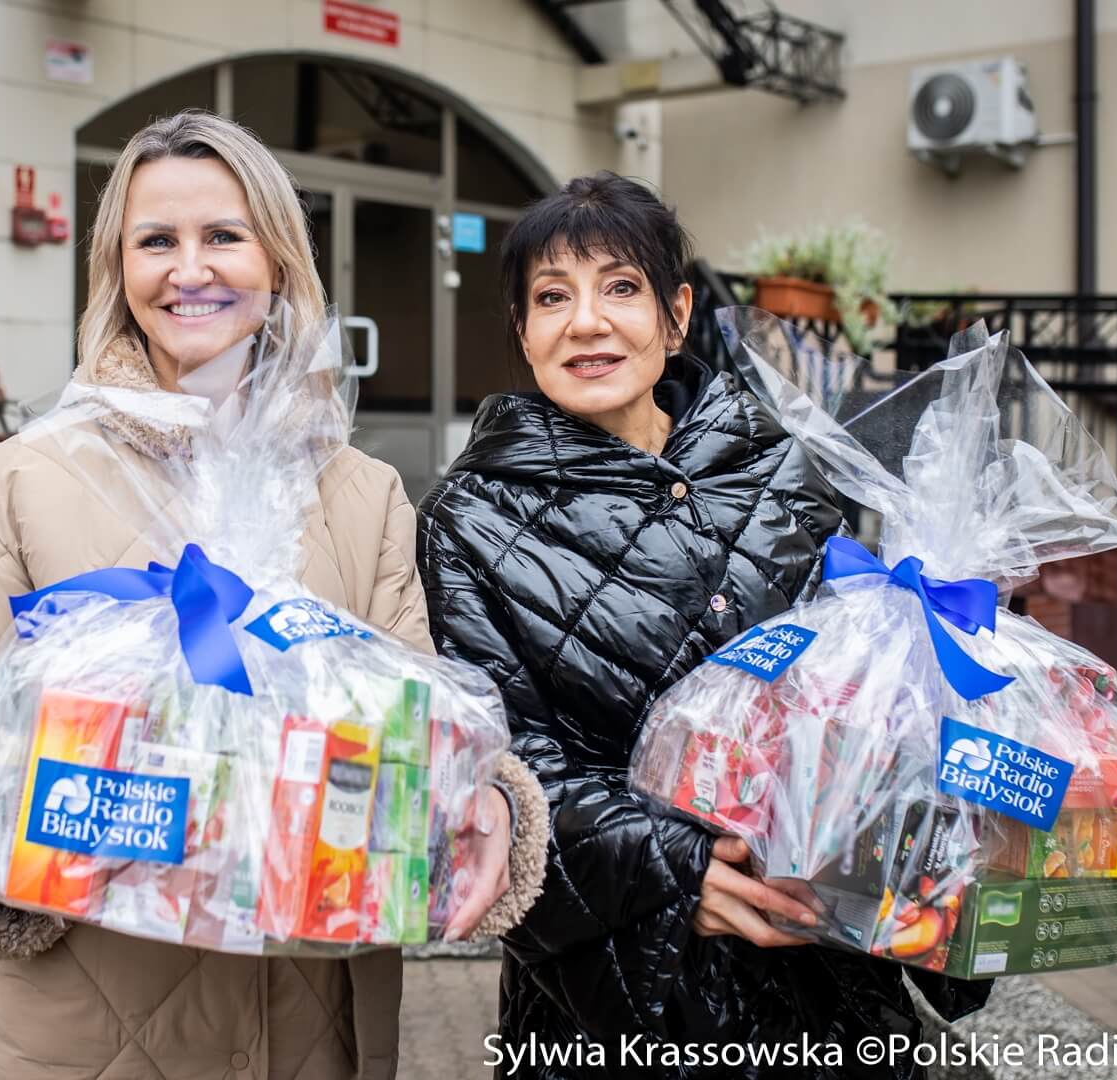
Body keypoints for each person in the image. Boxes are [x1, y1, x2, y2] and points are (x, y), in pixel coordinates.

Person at [0, 110, 548, 1080]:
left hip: (316, 1033)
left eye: (224, 236)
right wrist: (8, 862)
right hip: (85, 1035)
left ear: (278, 260)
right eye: (156, 241)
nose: (189, 270)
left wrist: (483, 800)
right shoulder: (14, 486)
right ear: (118, 271)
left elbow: (418, 724)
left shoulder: (362, 496)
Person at [417, 172, 989, 1078]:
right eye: (553, 297)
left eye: (620, 288)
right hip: (617, 1010)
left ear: (676, 315)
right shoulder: (465, 521)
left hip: (830, 981)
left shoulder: (783, 471)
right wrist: (672, 870)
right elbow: (491, 767)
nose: (587, 322)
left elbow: (865, 696)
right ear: (522, 330)